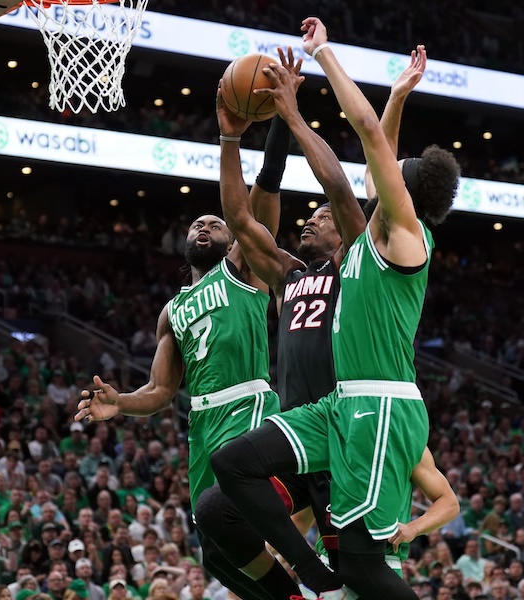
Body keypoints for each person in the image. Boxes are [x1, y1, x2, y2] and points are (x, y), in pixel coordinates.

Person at [212, 20, 460, 600]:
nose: (382, 173)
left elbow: (370, 135)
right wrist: (398, 95)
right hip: (337, 404)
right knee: (233, 466)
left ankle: (328, 579)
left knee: (367, 570)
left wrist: (321, 56)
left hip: (379, 404)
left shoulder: (404, 235)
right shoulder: (373, 234)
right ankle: (311, 579)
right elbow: (383, 152)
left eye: (394, 176)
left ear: (407, 192)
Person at [74, 112, 299, 599]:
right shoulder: (171, 310)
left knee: (232, 509)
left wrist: (280, 119)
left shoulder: (244, 268)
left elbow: (263, 195)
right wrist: (121, 403)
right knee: (216, 554)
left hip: (248, 407)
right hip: (202, 425)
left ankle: (314, 571)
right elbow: (159, 391)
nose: (205, 226)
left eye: (215, 223)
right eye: (197, 223)